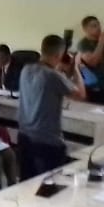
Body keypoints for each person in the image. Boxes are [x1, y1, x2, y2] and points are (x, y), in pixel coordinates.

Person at [17, 35, 86, 179]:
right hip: (47, 141)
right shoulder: (53, 76)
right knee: (51, 183)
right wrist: (76, 69)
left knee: (27, 182)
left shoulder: (26, 69)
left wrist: (61, 69)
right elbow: (80, 95)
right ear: (59, 55)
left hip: (24, 137)